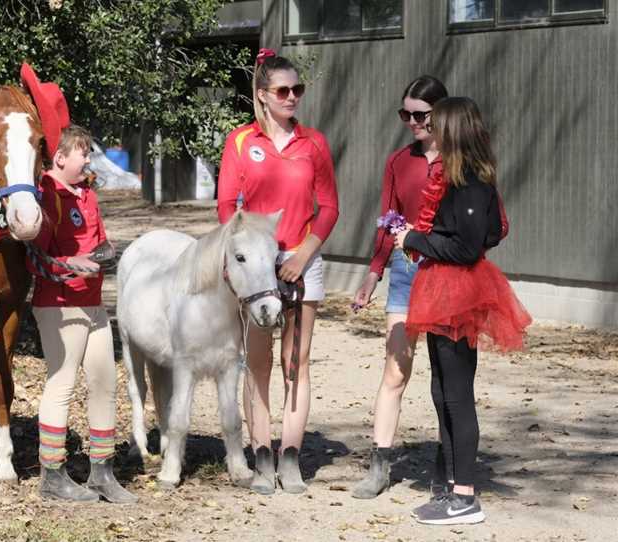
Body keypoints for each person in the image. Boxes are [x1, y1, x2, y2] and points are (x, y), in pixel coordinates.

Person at [395, 97, 531, 525]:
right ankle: (453, 486)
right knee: (442, 391)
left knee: (456, 394)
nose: (429, 129)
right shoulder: (460, 179)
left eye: (435, 123)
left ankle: (466, 497)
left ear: (453, 129)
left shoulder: (470, 182)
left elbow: (470, 245)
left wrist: (415, 240)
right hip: (443, 291)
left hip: (457, 294)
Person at [217, 48, 339, 495]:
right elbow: (227, 206)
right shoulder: (240, 142)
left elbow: (329, 207)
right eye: (283, 90)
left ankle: (291, 458)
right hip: (258, 268)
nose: (292, 97)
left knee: (297, 363)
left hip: (303, 261)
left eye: (298, 90)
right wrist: (253, 253)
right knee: (258, 364)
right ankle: (262, 456)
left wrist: (304, 254)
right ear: (263, 95)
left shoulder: (315, 143)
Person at [350, 75, 448, 499]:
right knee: (395, 369)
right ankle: (379, 465)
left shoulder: (462, 159)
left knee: (448, 377)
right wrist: (373, 272)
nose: (411, 122)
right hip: (405, 272)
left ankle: (450, 465)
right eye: (404, 114)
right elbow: (387, 219)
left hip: (449, 276)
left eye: (420, 114)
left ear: (441, 112)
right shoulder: (398, 161)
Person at [28, 124, 136, 504]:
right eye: (83, 153)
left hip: (93, 303)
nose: (89, 159)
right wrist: (71, 265)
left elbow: (99, 240)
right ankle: (52, 476)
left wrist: (106, 255)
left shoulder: (86, 193)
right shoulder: (44, 194)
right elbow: (34, 259)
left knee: (105, 382)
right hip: (58, 304)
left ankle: (102, 473)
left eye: (88, 153)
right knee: (62, 385)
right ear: (60, 157)